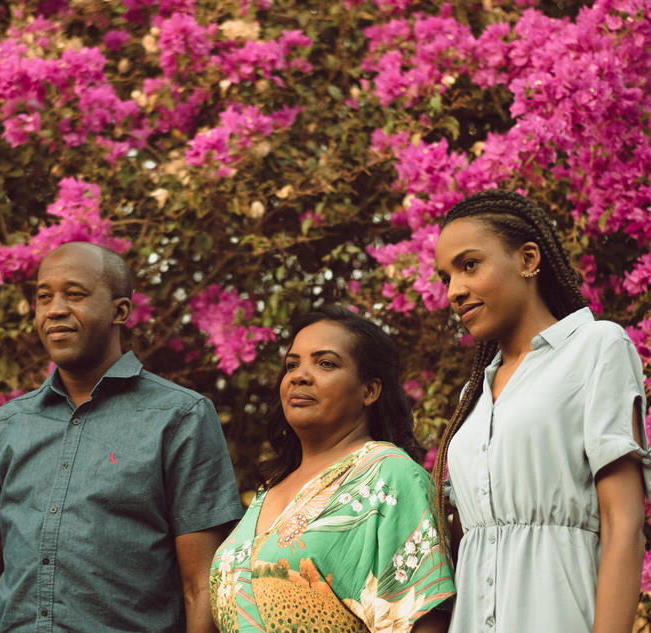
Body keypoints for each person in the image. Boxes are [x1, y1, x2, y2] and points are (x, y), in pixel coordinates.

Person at [0, 241, 243, 633]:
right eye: (44, 297)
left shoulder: (180, 417)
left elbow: (202, 584)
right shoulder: (8, 424)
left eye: (75, 294)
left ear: (120, 311)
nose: (55, 309)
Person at [432, 189, 650, 633]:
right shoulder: (472, 396)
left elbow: (624, 522)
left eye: (469, 265)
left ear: (528, 259)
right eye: (445, 278)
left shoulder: (595, 348)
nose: (454, 291)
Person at [210, 305, 455, 633]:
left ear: (369, 390)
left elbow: (425, 621)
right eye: (292, 364)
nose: (299, 375)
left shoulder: (390, 476)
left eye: (325, 363)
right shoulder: (270, 488)